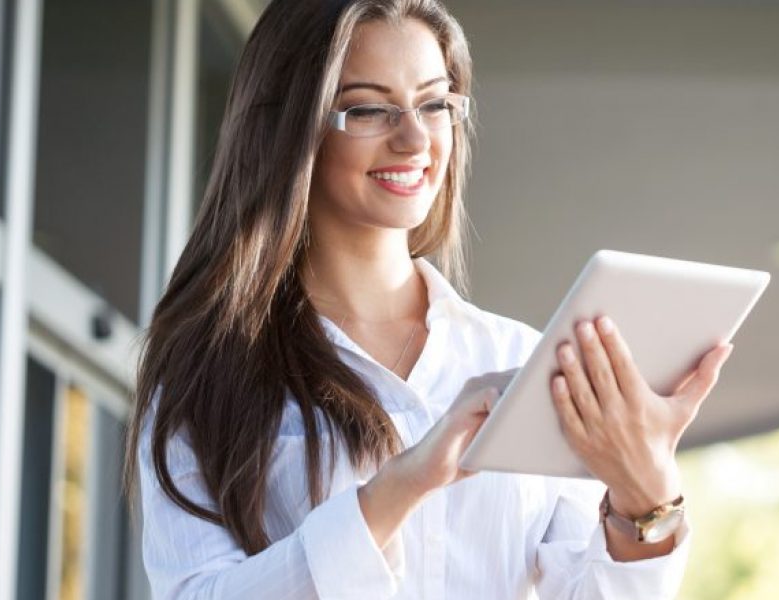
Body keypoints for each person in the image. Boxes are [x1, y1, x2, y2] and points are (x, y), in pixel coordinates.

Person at [122, 0, 734, 597]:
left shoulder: (521, 359)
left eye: (434, 104)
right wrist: (400, 486)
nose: (415, 140)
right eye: (367, 109)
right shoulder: (208, 370)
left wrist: (646, 496)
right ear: (289, 126)